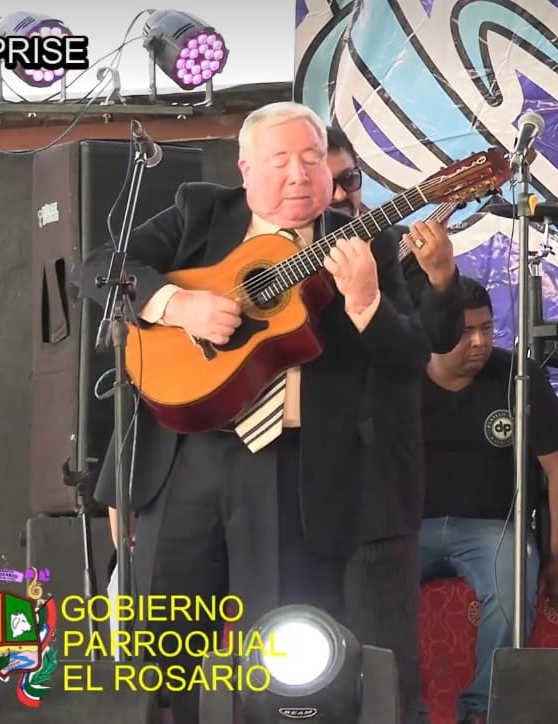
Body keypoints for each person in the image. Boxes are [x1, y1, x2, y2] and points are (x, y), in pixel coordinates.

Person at [79, 101, 435, 724]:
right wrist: (178, 305)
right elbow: (98, 269)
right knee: (160, 648)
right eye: (280, 160)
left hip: (291, 468)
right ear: (245, 169)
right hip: (186, 453)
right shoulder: (200, 212)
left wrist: (366, 304)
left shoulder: (367, 241)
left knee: (281, 656)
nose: (299, 174)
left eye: (312, 159)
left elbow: (409, 359)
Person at [323, 126, 465, 724]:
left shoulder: (384, 245)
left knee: (384, 667)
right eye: (327, 182)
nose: (341, 194)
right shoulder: (263, 252)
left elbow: (431, 343)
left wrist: (441, 279)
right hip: (288, 485)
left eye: (350, 179)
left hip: (375, 485)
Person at [419, 276, 558, 724]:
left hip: (492, 531)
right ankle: (394, 707)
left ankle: (482, 711)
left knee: (513, 583)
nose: (479, 342)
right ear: (433, 332)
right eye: (465, 332)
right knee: (368, 588)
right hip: (410, 529)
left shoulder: (519, 376)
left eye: (487, 328)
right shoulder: (399, 376)